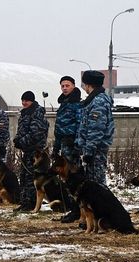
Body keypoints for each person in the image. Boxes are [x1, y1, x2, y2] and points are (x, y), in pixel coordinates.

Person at [76, 70, 114, 185]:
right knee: (91, 183)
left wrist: (89, 152)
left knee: (96, 184)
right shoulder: (94, 100)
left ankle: (102, 203)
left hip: (95, 150)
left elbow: (96, 130)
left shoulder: (98, 102)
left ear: (88, 85)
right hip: (93, 149)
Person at [53, 76, 82, 223]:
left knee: (73, 178)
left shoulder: (76, 104)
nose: (65, 88)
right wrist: (56, 147)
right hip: (63, 143)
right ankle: (71, 208)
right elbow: (59, 128)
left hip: (72, 144)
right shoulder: (64, 103)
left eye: (67, 85)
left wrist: (77, 144)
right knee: (66, 179)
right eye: (62, 86)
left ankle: (77, 210)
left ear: (73, 86)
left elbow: (79, 125)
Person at [13, 91, 49, 212]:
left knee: (31, 178)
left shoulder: (37, 113)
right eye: (22, 100)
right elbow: (22, 130)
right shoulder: (25, 114)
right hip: (27, 151)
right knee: (23, 177)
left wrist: (21, 141)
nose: (24, 103)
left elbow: (35, 133)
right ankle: (24, 202)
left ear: (32, 101)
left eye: (26, 101)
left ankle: (31, 203)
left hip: (35, 152)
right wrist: (17, 140)